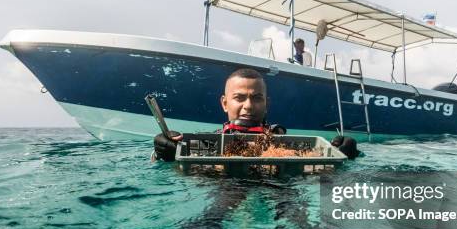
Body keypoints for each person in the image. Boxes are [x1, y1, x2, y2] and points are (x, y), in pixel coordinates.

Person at [153, 68, 358, 160]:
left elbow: (319, 163)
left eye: (256, 98)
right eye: (239, 98)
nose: (249, 106)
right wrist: (164, 150)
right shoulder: (210, 143)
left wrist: (348, 153)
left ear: (266, 104)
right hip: (225, 190)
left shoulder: (282, 142)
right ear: (224, 103)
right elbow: (168, 163)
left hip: (279, 192)